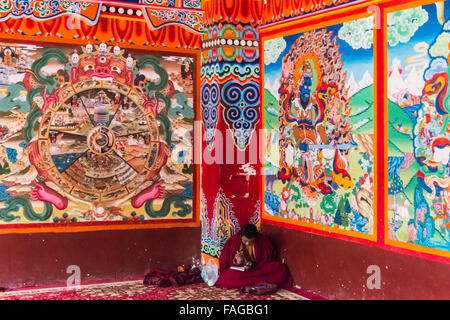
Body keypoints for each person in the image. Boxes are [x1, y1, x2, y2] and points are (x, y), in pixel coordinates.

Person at [214, 224, 293, 292]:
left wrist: (252, 264)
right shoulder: (233, 241)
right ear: (240, 236)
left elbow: (270, 258)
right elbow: (224, 262)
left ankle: (250, 283)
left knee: (279, 268)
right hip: (242, 272)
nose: (248, 243)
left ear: (256, 237)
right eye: (245, 241)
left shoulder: (263, 241)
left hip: (258, 270)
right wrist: (236, 262)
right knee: (229, 275)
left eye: (251, 241)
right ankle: (255, 282)